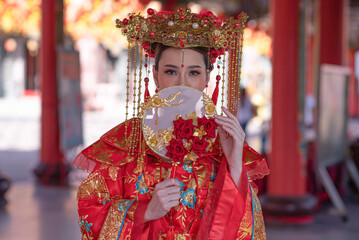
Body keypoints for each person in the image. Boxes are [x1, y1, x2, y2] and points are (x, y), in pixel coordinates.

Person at [74, 8, 269, 240]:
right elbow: (91, 209)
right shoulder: (126, 140)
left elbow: (243, 226)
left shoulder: (224, 140)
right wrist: (146, 211)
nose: (183, 84)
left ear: (207, 77)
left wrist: (234, 164)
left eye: (194, 73)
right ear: (156, 75)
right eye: (170, 71)